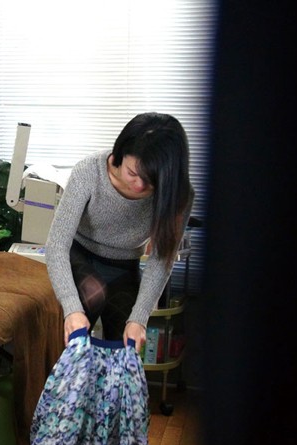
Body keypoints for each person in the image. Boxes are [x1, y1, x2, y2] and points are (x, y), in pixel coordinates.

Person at [46, 112, 194, 352]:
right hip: (79, 254)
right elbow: (57, 244)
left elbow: (160, 260)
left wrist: (139, 319)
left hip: (124, 265)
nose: (139, 186)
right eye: (133, 173)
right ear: (119, 155)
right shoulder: (89, 172)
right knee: (91, 297)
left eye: (152, 181)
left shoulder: (178, 195)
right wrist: (72, 308)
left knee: (125, 344)